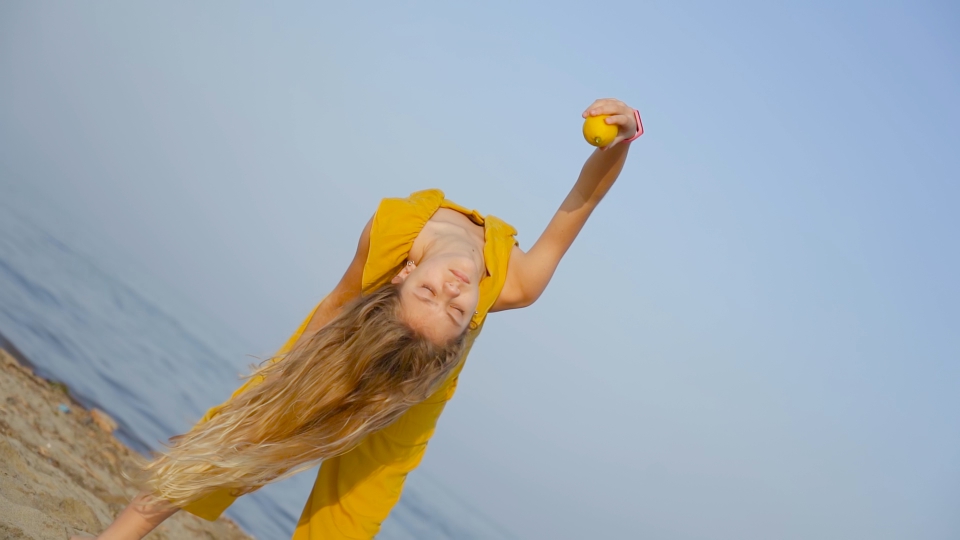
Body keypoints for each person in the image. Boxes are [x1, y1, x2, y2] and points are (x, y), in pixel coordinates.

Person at [74, 97, 642, 540]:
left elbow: (583, 196)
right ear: (399, 276)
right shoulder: (496, 277)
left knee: (346, 524)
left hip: (414, 397)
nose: (455, 289)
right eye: (452, 304)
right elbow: (338, 305)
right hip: (349, 349)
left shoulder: (412, 251)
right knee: (236, 438)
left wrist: (619, 138)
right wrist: (280, 390)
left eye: (438, 296)